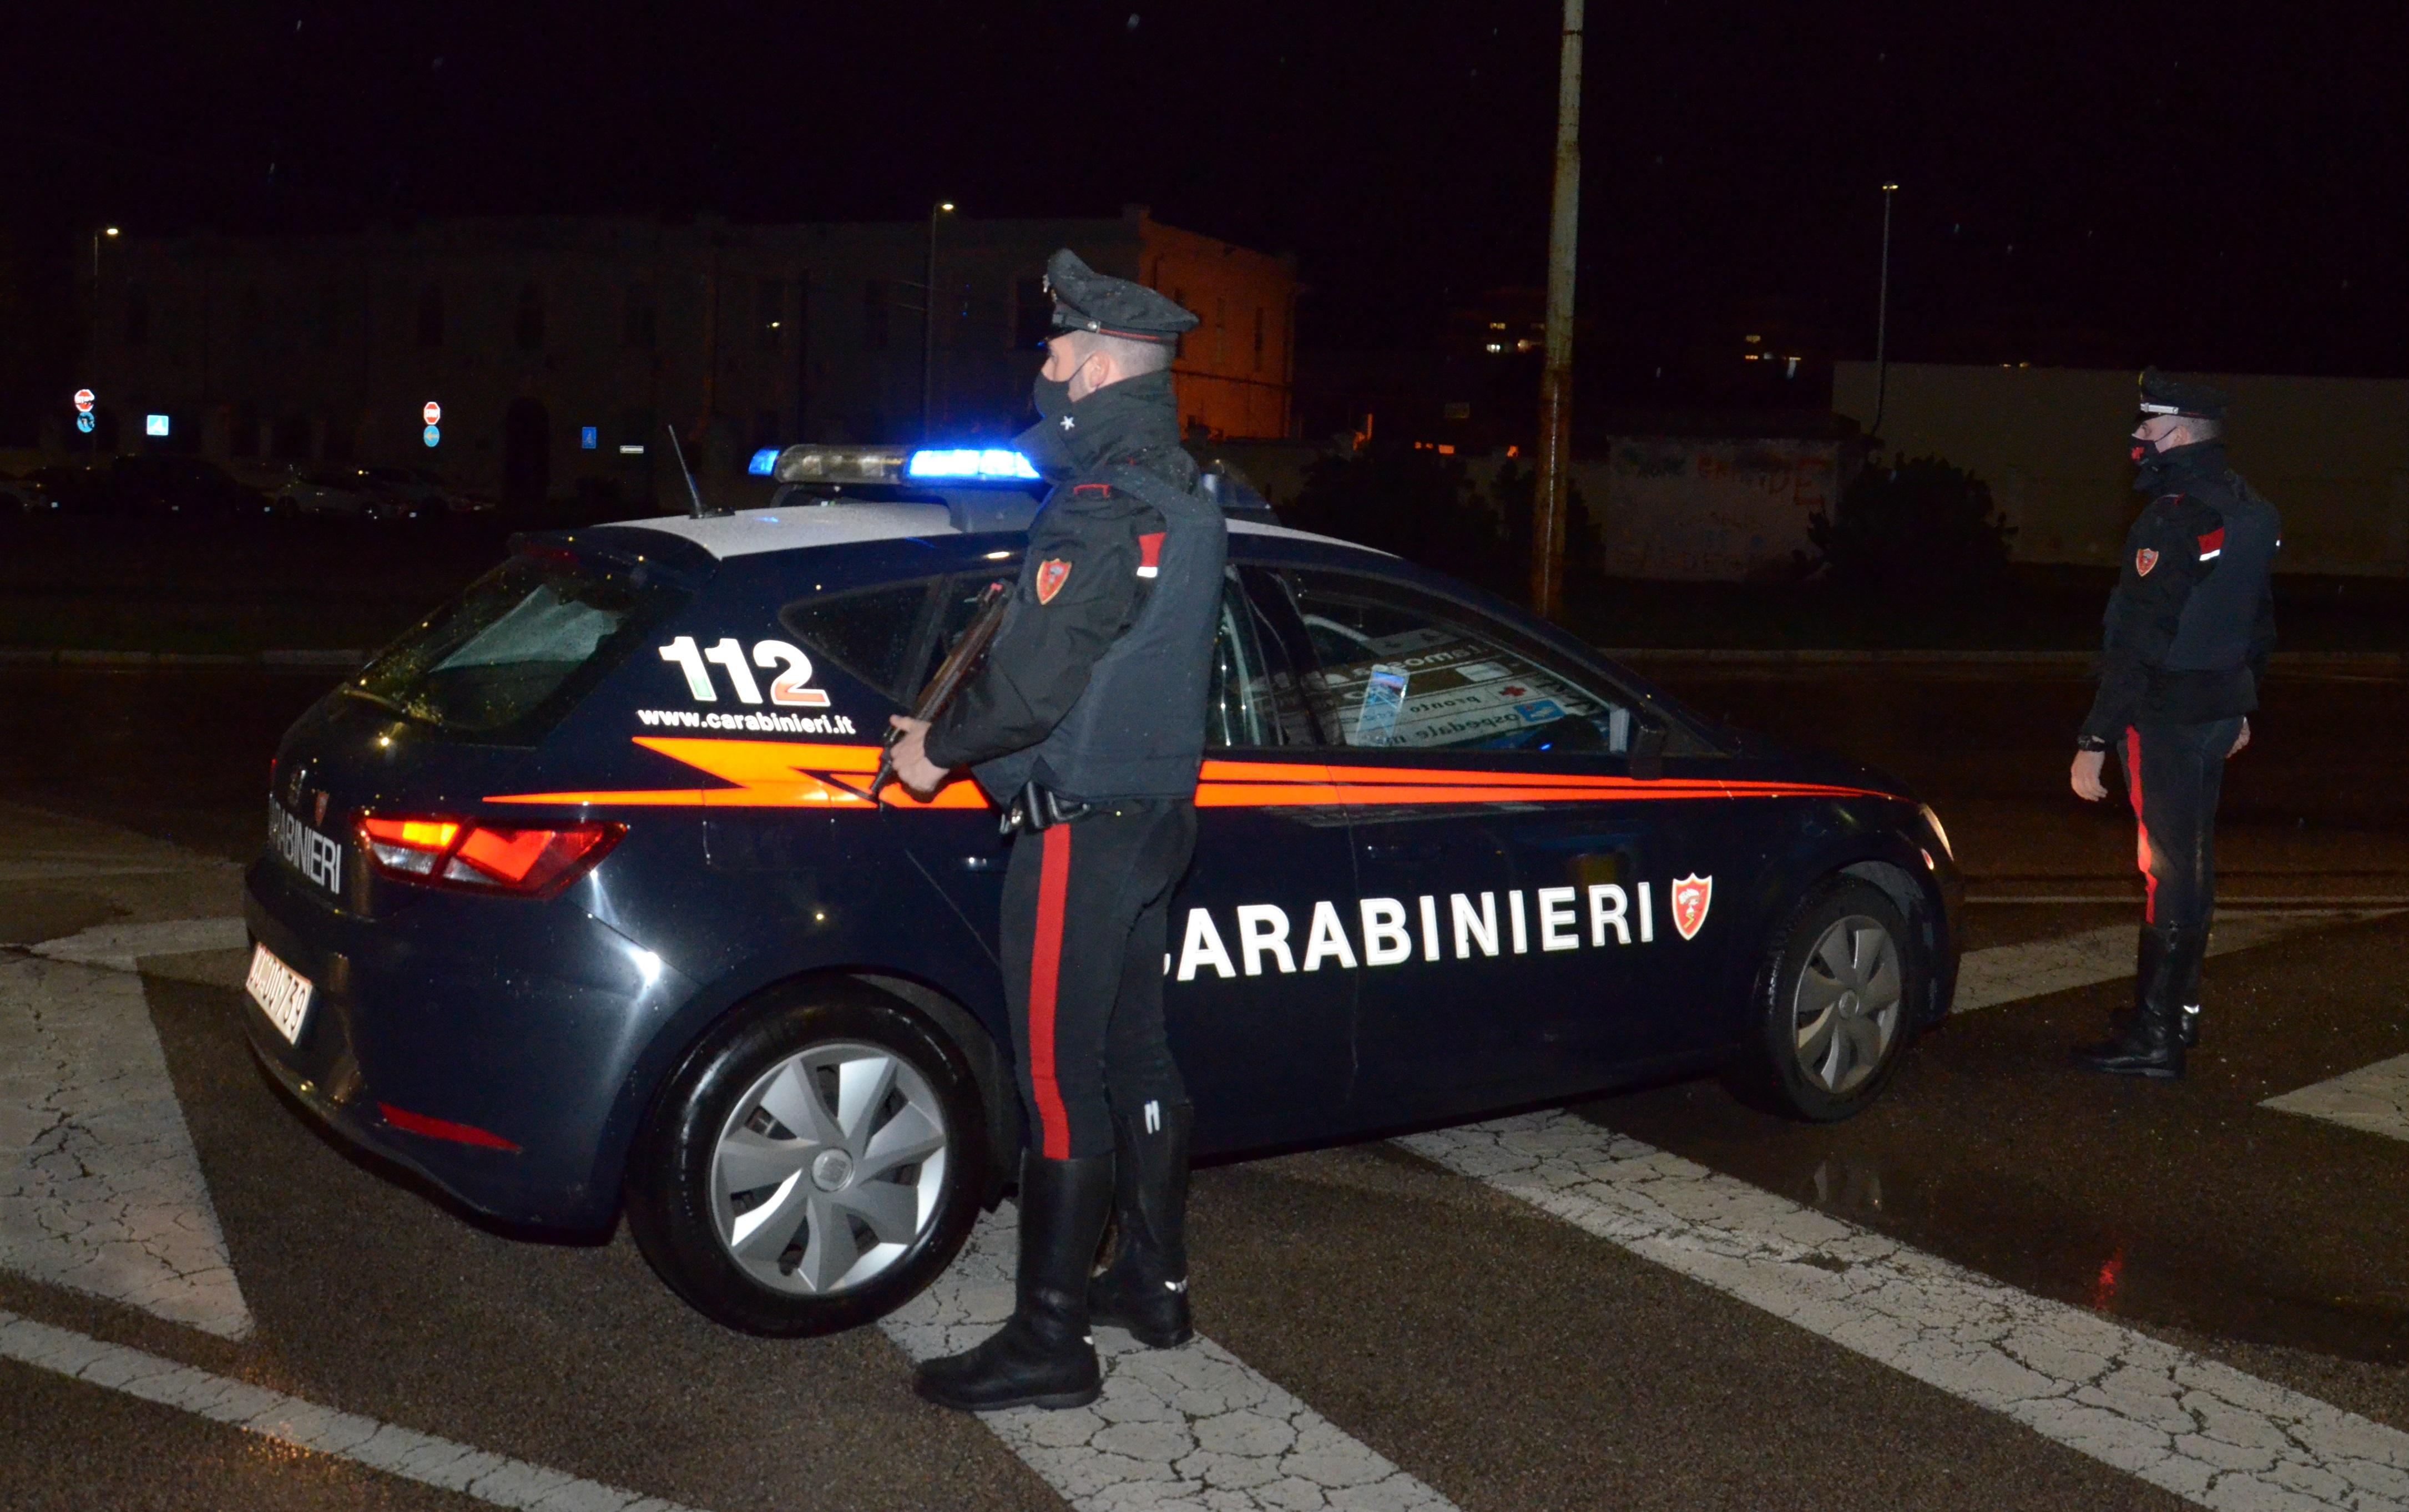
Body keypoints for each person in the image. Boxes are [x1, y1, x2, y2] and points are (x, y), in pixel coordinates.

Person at [886, 249, 1224, 1411]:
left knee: (1053, 1078)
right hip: (1151, 820)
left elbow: (1032, 681)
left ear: (1095, 363)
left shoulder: (1098, 504)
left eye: (1055, 346)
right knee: (1137, 1056)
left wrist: (933, 753)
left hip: (1079, 830)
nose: (1044, 364)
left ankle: (1050, 1340)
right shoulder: (1180, 488)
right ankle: (1154, 1283)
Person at [2069, 369, 2279, 1079]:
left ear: (2181, 432)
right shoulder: (2251, 509)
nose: (2136, 439)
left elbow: (2136, 640)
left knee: (2165, 871)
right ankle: (2176, 1012)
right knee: (2191, 862)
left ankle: (2154, 1038)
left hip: (2165, 715)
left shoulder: (2174, 516)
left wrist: (2093, 739)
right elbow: (2256, 621)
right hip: (2218, 710)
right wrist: (2244, 703)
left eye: (2147, 426)